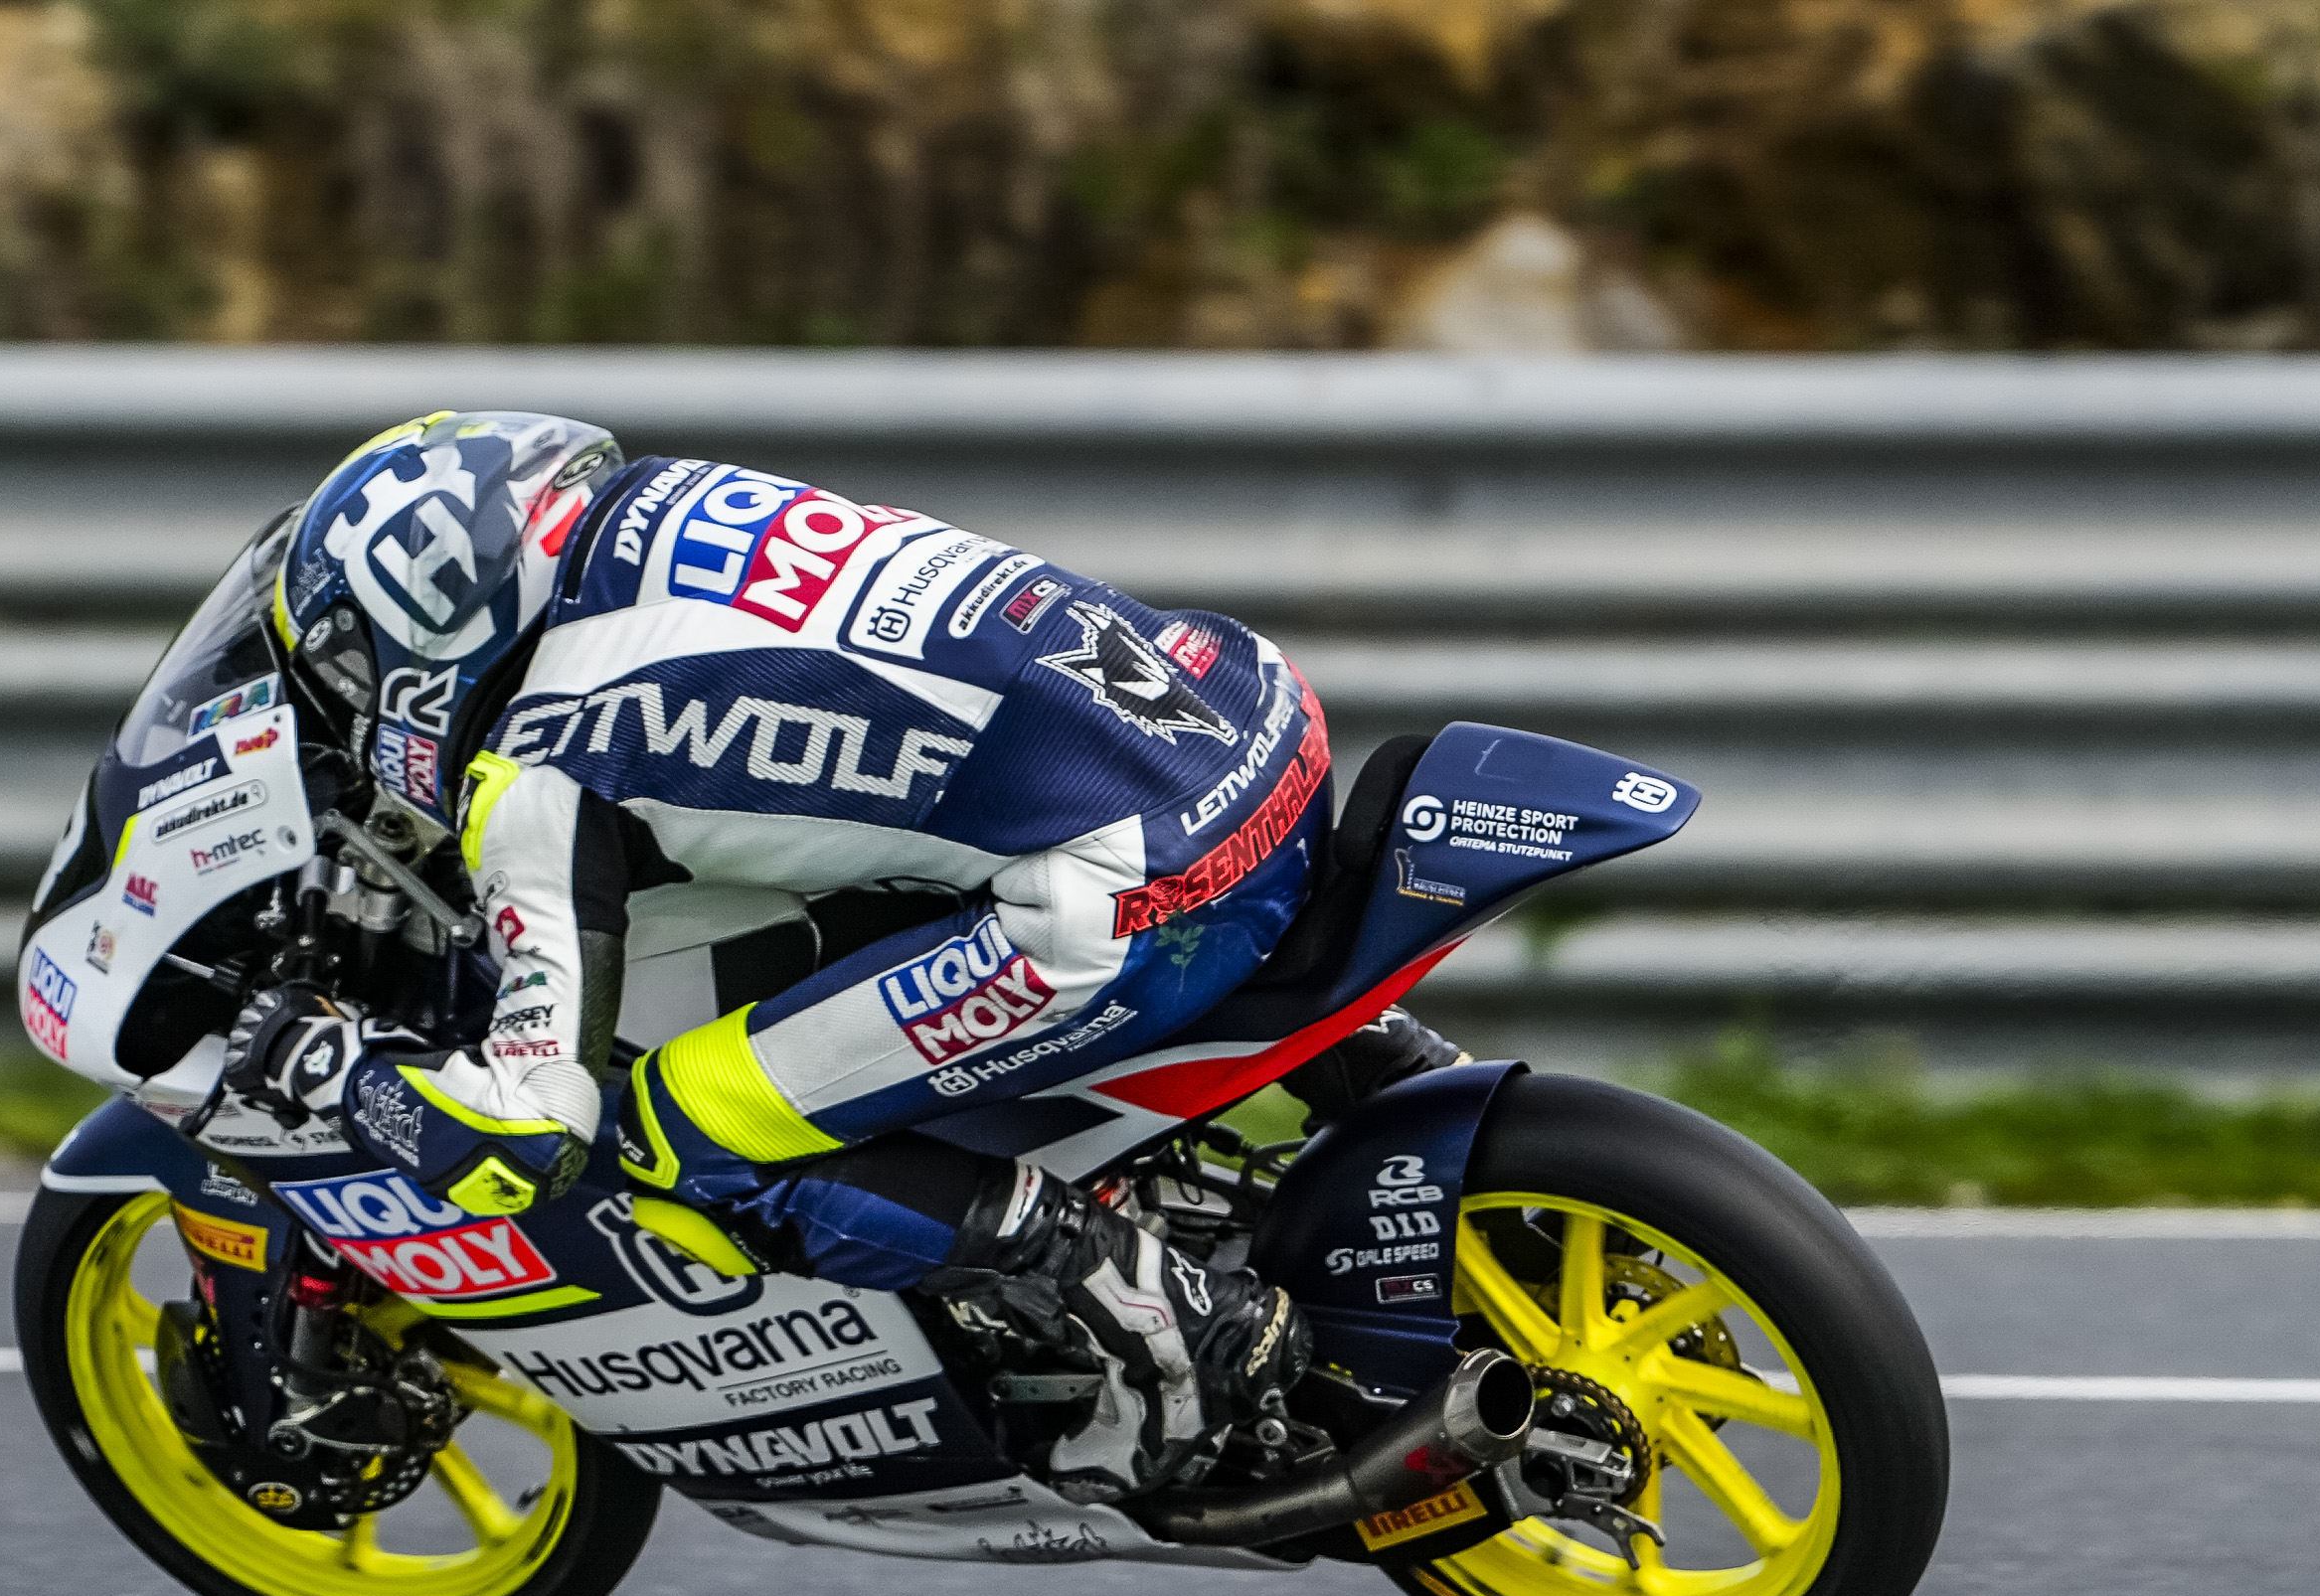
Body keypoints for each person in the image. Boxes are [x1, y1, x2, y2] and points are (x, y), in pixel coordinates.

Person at [200, 409, 1461, 1501]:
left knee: (676, 1130)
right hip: (1246, 718)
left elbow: (529, 1137)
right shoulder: (673, 504)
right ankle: (1386, 1072)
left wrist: (323, 1065)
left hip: (1137, 892)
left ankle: (1143, 1308)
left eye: (349, 670)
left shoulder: (535, 768)